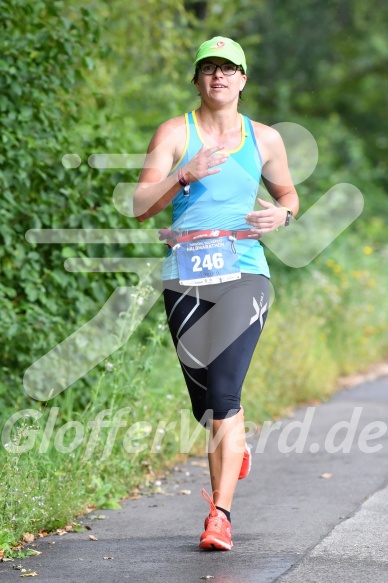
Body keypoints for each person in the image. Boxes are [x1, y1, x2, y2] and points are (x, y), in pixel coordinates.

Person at [134, 36, 299, 551]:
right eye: (209, 68)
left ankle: (219, 516)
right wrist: (185, 174)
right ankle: (234, 445)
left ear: (243, 80)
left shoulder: (265, 138)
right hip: (185, 276)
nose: (219, 76)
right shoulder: (174, 132)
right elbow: (140, 205)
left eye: (229, 69)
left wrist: (284, 214)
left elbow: (287, 193)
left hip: (245, 273)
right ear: (198, 79)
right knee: (207, 406)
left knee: (225, 393)